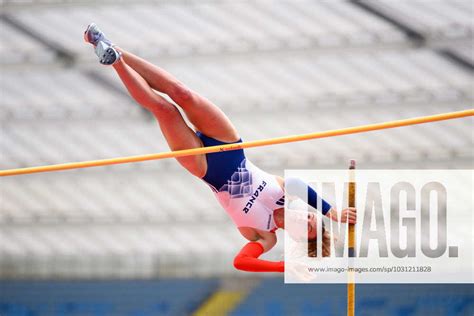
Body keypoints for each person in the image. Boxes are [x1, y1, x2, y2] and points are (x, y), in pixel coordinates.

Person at [84, 23, 357, 273]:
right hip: (229, 144)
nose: (308, 218)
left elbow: (241, 262)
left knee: (165, 110)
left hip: (206, 168)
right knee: (182, 94)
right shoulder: (288, 193)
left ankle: (115, 61)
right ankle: (110, 46)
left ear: (297, 235)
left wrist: (283, 267)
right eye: (311, 216)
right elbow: (297, 182)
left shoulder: (265, 235)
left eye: (308, 226)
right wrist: (331, 212)